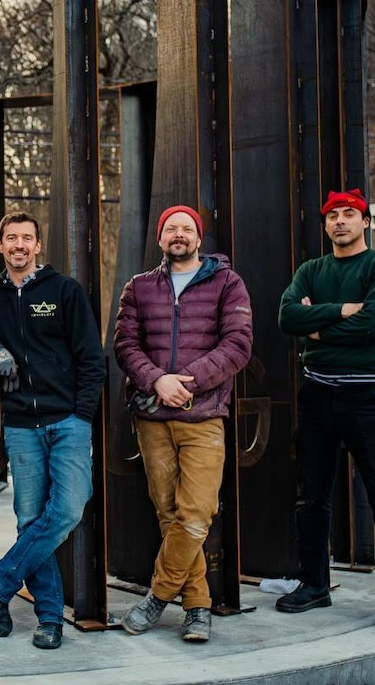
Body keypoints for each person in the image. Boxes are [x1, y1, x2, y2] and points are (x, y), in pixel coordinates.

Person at [0, 211, 105, 650]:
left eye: (27, 238)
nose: (19, 245)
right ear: (0, 245)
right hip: (20, 426)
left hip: (67, 421)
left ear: (38, 246)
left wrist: (82, 416)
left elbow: (92, 358)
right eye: (11, 238)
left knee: (69, 509)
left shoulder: (64, 291)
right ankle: (50, 617)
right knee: (30, 519)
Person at [276, 188, 375, 634]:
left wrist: (316, 329)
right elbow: (285, 318)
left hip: (366, 398)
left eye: (349, 215)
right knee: (311, 497)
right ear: (325, 225)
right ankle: (314, 583)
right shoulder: (311, 270)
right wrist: (340, 312)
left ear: (365, 223)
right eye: (333, 216)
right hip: (317, 395)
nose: (340, 222)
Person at [112, 205, 253, 643]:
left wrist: (186, 383)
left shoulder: (228, 283)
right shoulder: (138, 288)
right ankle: (196, 607)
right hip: (153, 417)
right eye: (171, 228)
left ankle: (157, 597)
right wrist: (158, 381)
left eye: (186, 228)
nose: (178, 234)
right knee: (168, 512)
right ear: (160, 239)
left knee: (196, 513)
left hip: (203, 415)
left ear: (198, 238)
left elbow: (238, 344)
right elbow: (125, 345)